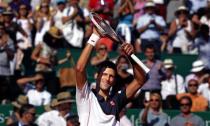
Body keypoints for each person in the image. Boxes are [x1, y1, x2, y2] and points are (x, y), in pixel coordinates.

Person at [75, 28, 147, 125]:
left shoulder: (117, 100)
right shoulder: (86, 96)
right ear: (97, 76)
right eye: (104, 74)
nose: (107, 79)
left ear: (114, 80)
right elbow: (79, 69)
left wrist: (131, 56)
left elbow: (140, 81)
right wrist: (94, 36)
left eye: (111, 76)